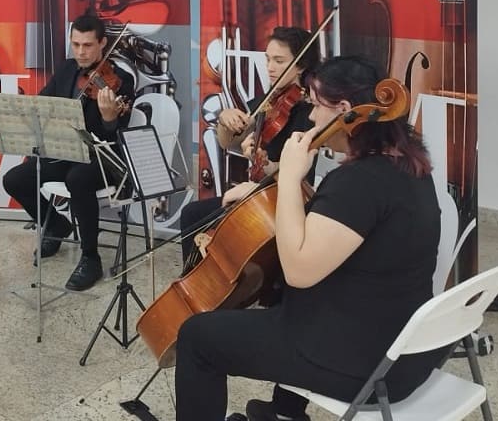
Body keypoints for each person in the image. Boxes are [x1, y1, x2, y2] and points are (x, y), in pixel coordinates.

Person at [173, 56, 444, 421]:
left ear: (344, 110)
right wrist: (262, 192)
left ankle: (284, 408)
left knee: (197, 337)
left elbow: (299, 269)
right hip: (406, 349)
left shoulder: (359, 181)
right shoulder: (407, 165)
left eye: (317, 105)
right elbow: (343, 224)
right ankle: (285, 411)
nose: (312, 116)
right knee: (282, 296)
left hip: (363, 364)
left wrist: (287, 177)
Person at [1, 14, 136, 292]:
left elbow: (115, 133)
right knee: (14, 179)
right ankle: (57, 227)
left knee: (78, 179)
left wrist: (109, 117)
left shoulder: (120, 80)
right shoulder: (66, 70)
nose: (80, 52)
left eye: (87, 45)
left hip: (102, 158)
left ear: (103, 43)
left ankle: (90, 257)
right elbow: (43, 102)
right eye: (75, 45)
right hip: (64, 152)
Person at [179, 27, 319, 272]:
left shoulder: (309, 112)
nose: (270, 67)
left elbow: (297, 175)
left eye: (279, 61)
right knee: (194, 214)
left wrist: (264, 163)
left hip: (281, 201)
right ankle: (200, 280)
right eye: (267, 59)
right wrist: (225, 118)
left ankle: (206, 284)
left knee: (196, 217)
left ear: (300, 65)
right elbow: (227, 142)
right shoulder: (270, 100)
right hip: (256, 192)